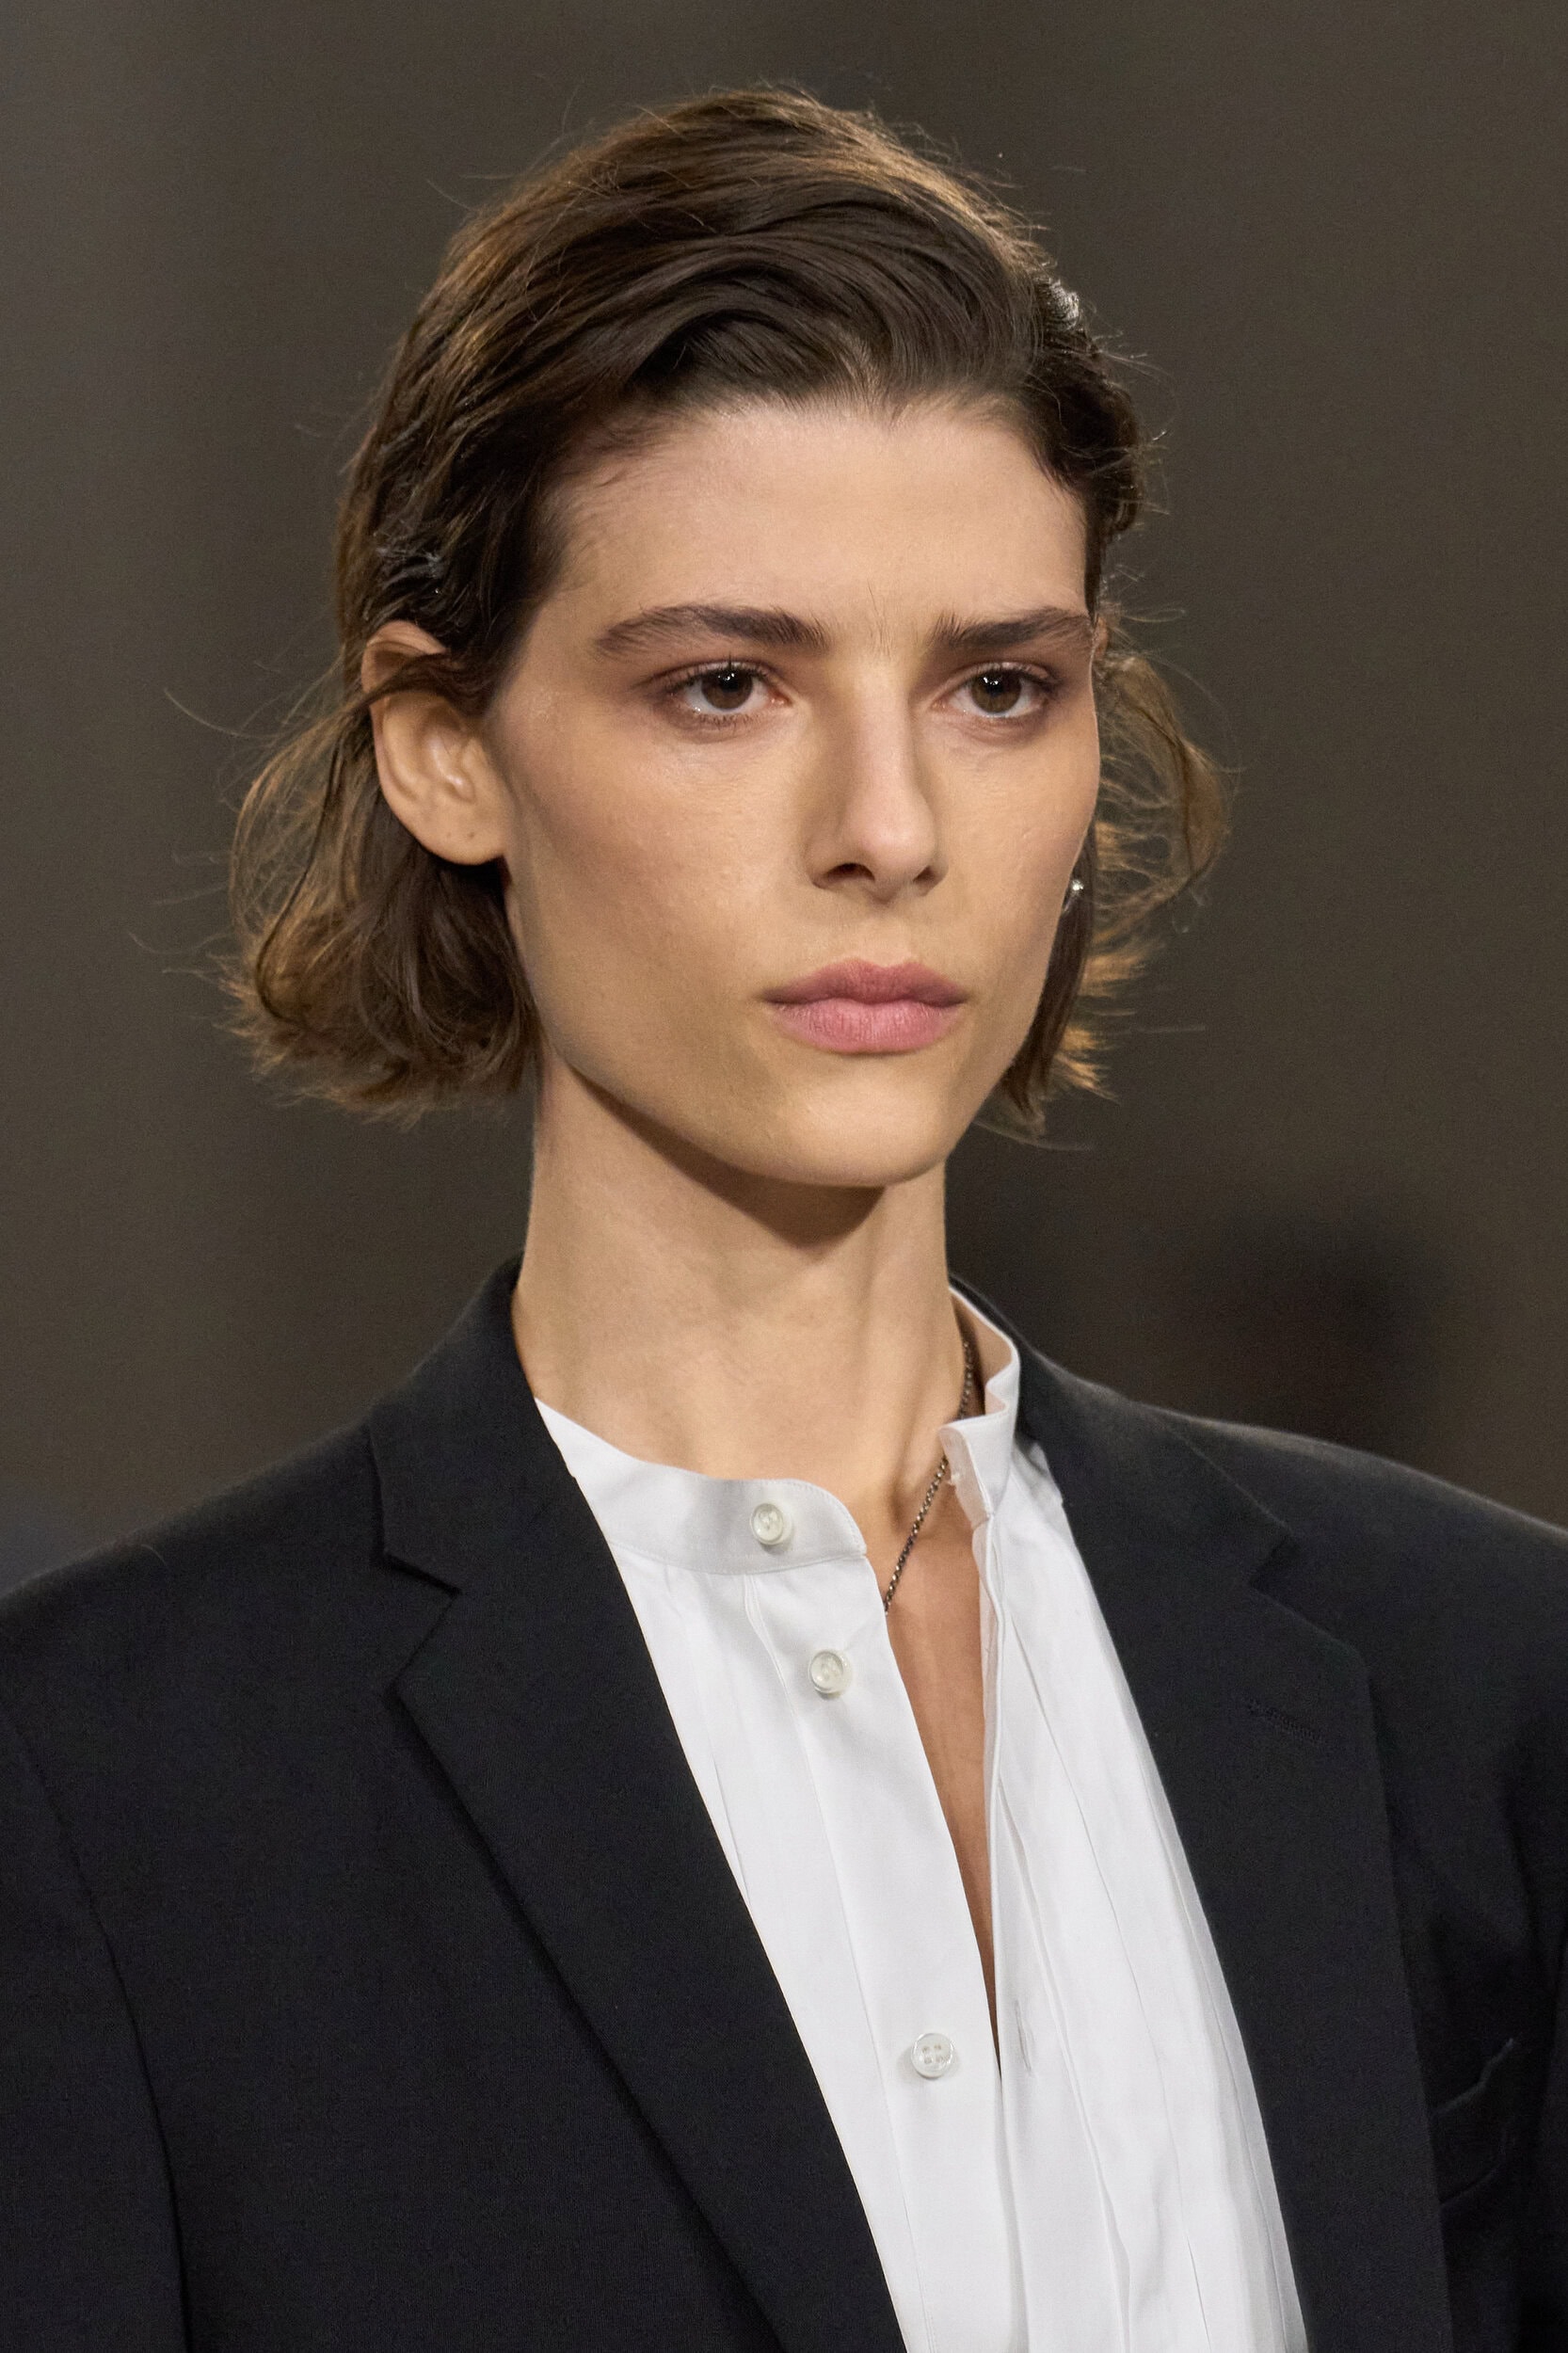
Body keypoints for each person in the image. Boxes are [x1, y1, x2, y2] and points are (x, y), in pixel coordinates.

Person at [1, 88, 1563, 2353]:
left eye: (995, 686)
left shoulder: (1473, 1679)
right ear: (445, 744)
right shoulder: (109, 1783)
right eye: (724, 684)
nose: (887, 825)